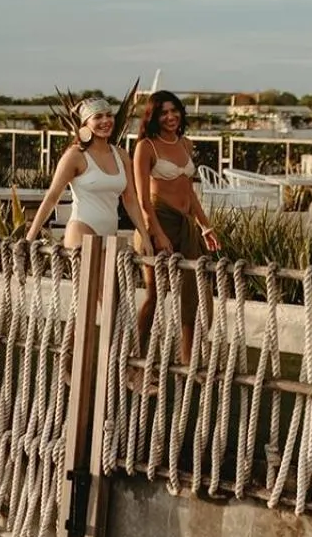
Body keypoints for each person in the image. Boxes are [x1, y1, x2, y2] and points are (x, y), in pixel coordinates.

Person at [132, 89, 220, 360]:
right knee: (154, 295)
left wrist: (205, 227)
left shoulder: (186, 143)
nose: (170, 117)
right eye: (163, 112)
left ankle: (188, 359)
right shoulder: (146, 147)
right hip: (157, 222)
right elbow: (143, 200)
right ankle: (135, 353)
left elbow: (189, 193)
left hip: (184, 224)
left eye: (174, 111)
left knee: (193, 292)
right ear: (154, 116)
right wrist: (157, 234)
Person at [24, 97, 167, 252]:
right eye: (98, 117)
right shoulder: (75, 155)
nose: (105, 121)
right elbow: (52, 197)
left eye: (109, 115)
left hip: (110, 236)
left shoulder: (121, 155)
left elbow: (130, 199)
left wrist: (144, 236)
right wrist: (30, 238)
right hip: (82, 231)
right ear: (85, 123)